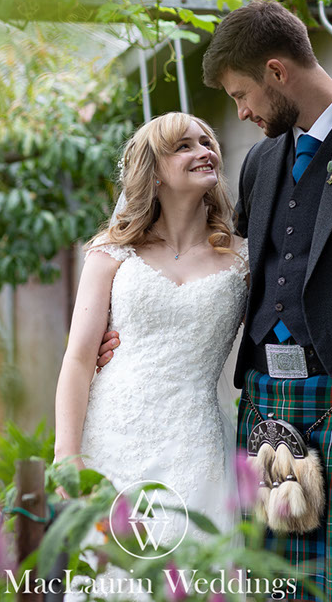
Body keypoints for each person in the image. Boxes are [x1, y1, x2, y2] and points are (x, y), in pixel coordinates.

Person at [98, 0, 332, 601]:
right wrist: (130, 323)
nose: (242, 112)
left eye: (241, 94)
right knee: (272, 588)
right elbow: (230, 267)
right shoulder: (262, 161)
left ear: (277, 71)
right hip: (265, 406)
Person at [53, 112, 248, 545]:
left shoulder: (243, 260)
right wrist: (66, 455)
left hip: (196, 440)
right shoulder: (111, 252)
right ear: (153, 171)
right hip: (112, 433)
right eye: (183, 146)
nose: (204, 151)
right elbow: (80, 358)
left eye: (206, 141)